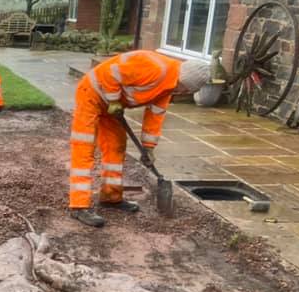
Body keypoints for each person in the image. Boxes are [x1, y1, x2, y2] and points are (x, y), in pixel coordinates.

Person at [69, 50, 211, 227]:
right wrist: (113, 99)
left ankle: (111, 197)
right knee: (84, 147)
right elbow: (111, 71)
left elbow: (154, 116)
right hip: (92, 93)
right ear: (185, 81)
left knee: (116, 146)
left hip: (113, 106)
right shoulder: (154, 67)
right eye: (187, 89)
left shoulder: (168, 87)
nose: (184, 92)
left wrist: (148, 147)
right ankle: (78, 206)